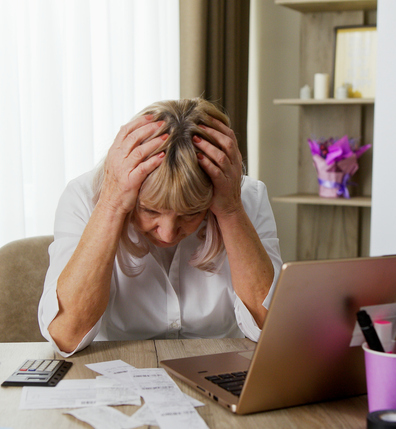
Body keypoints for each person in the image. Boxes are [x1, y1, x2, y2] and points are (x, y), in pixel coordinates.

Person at [38, 98, 282, 356]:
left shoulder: (247, 198)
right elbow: (66, 336)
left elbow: (272, 329)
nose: (167, 233)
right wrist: (110, 205)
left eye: (190, 213)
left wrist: (231, 211)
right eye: (150, 210)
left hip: (219, 373)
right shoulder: (84, 198)